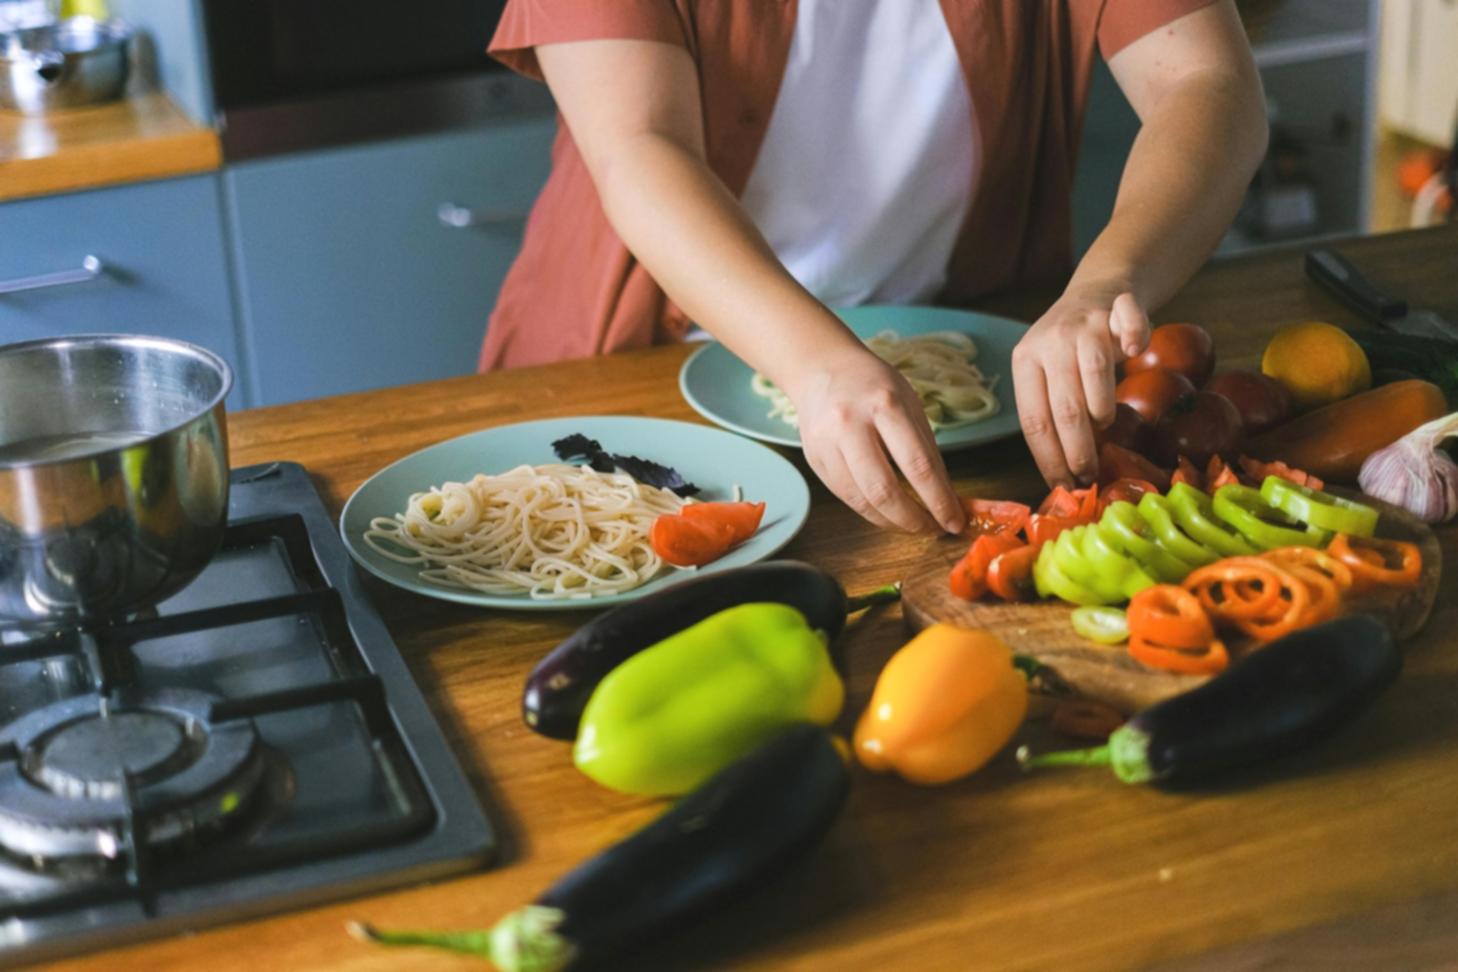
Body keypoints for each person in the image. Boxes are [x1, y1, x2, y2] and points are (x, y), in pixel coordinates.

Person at [480, 0, 1268, 534]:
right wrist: (815, 365)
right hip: (646, 369)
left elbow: (1208, 81)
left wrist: (1106, 284)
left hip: (981, 387)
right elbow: (638, 145)